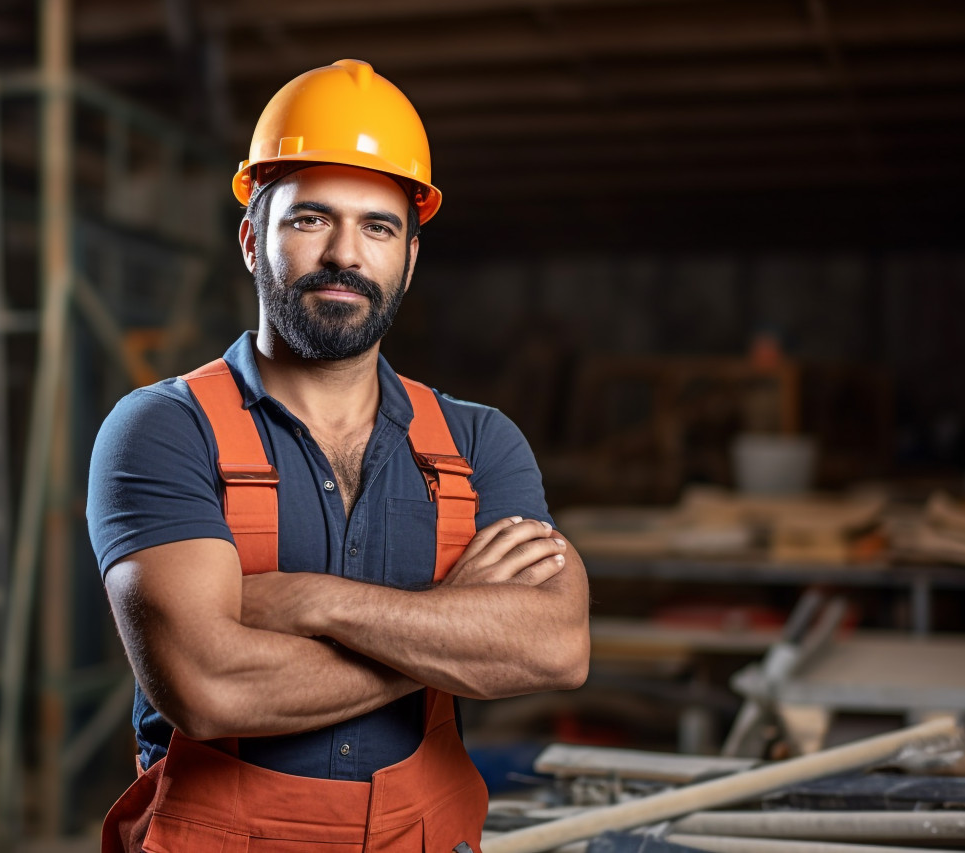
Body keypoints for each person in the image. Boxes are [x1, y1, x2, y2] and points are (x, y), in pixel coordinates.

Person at [87, 58, 590, 853]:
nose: (345, 254)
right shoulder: (163, 430)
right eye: (311, 219)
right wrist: (449, 634)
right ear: (254, 239)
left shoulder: (476, 442)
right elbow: (208, 686)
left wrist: (313, 601)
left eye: (378, 226)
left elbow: (555, 646)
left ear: (409, 259)